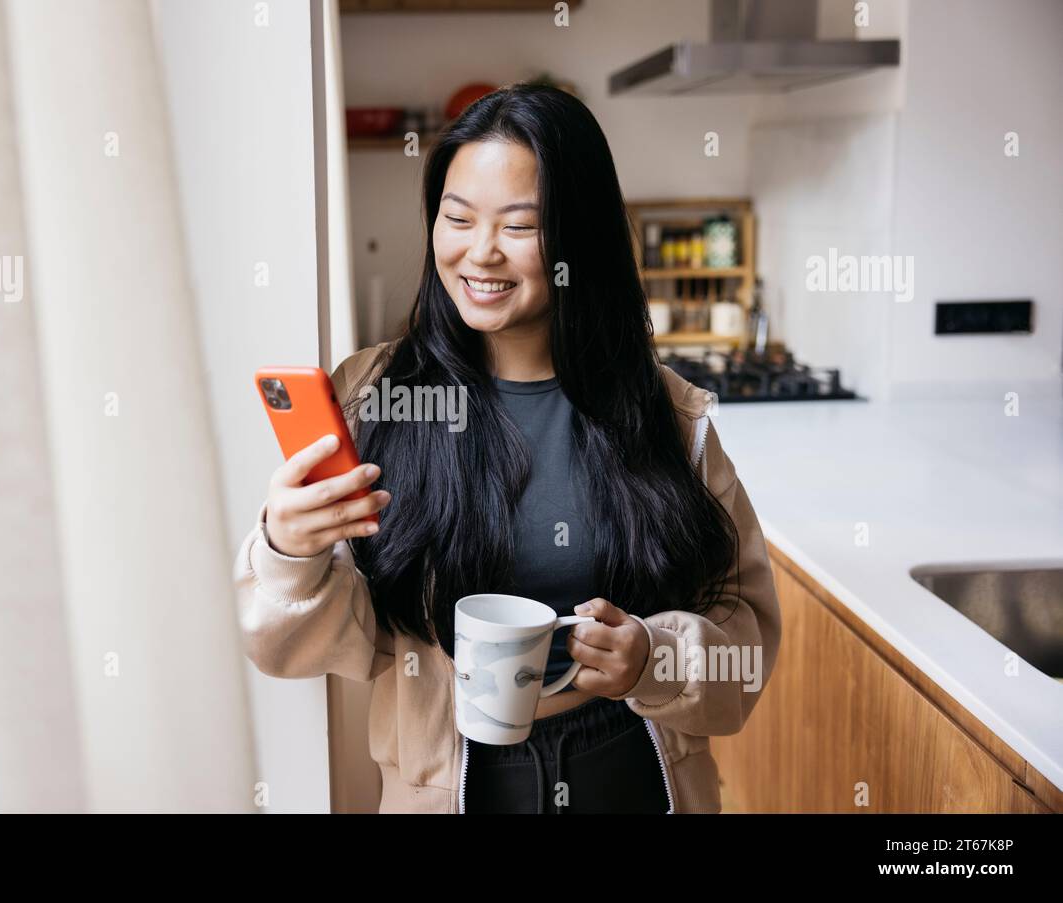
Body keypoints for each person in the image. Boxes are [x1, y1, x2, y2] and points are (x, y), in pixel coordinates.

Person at [233, 83, 781, 813]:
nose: (479, 252)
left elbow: (746, 637)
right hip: (454, 785)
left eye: (519, 226)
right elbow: (299, 648)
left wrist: (653, 657)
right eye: (457, 218)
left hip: (632, 773)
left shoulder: (669, 418)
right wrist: (289, 550)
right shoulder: (375, 400)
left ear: (577, 237)